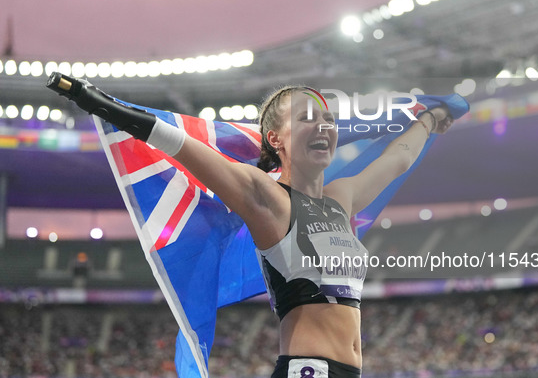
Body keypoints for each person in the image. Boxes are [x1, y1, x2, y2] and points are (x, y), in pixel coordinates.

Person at [47, 74, 454, 377]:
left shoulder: (340, 198)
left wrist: (432, 117)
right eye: (308, 118)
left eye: (328, 119)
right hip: (308, 370)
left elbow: (398, 158)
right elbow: (180, 145)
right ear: (275, 139)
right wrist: (99, 104)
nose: (326, 127)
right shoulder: (266, 197)